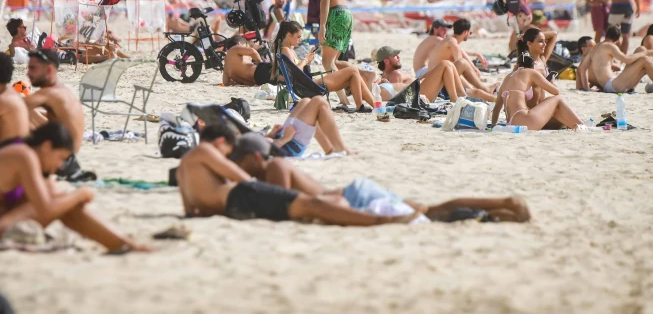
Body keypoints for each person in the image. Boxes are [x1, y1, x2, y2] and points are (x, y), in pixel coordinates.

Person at [230, 133, 531, 222]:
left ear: (254, 157)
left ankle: (505, 204)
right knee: (429, 211)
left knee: (429, 214)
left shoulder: (274, 167)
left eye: (240, 161)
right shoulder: (277, 166)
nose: (238, 168)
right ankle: (502, 208)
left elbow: (283, 206)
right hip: (355, 192)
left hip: (353, 198)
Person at [0, 122, 150, 252]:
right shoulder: (24, 155)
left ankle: (121, 243)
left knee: (55, 193)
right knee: (59, 199)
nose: (61, 166)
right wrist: (80, 194)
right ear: (47, 146)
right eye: (61, 158)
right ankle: (122, 243)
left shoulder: (22, 150)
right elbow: (45, 208)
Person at [176, 121, 416, 225]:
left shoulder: (182, 170)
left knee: (311, 206)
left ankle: (383, 216)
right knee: (311, 205)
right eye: (228, 151)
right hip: (244, 196)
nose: (227, 156)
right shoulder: (205, 150)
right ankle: (381, 221)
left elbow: (190, 211)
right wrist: (257, 187)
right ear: (220, 142)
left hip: (233, 209)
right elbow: (240, 178)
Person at [275, 22, 373, 111]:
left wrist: (308, 61)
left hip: (309, 84)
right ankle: (366, 106)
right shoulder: (286, 50)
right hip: (312, 86)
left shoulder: (290, 50)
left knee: (354, 75)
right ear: (289, 35)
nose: (300, 40)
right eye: (298, 37)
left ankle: (371, 106)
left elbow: (298, 71)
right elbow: (295, 73)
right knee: (353, 70)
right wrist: (305, 60)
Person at [24, 49, 90, 180]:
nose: (28, 73)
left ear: (49, 70)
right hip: (70, 158)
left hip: (59, 160)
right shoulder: (63, 91)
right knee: (29, 115)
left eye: (33, 68)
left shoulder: (50, 93)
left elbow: (12, 106)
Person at [303, 0, 354, 107]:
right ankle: (357, 80)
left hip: (336, 14)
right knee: (333, 62)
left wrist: (322, 26)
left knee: (327, 62)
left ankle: (344, 100)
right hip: (346, 13)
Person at [576, 26, 653, 94]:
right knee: (645, 59)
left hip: (613, 84)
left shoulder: (595, 48)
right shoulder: (610, 46)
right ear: (618, 40)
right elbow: (626, 59)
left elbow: (582, 68)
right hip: (613, 85)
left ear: (606, 35)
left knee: (640, 50)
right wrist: (646, 53)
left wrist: (585, 88)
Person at [490, 50, 582, 131]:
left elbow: (497, 107)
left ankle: (574, 125)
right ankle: (582, 124)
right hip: (525, 119)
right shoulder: (531, 72)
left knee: (558, 117)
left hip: (511, 122)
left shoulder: (508, 77)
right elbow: (556, 92)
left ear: (517, 64)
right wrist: (552, 82)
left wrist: (493, 125)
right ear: (533, 66)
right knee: (558, 98)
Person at [427, 18, 494, 100]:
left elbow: (462, 52)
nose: (469, 34)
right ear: (466, 32)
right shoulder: (453, 44)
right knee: (462, 63)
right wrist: (470, 86)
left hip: (433, 79)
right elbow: (459, 67)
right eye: (470, 32)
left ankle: (485, 90)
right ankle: (486, 90)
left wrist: (474, 58)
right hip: (437, 83)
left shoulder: (450, 41)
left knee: (475, 90)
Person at [266, 97, 352, 156]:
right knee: (319, 102)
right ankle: (340, 149)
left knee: (305, 101)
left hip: (278, 139)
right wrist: (284, 139)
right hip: (285, 147)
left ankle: (329, 149)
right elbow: (262, 150)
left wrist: (271, 134)